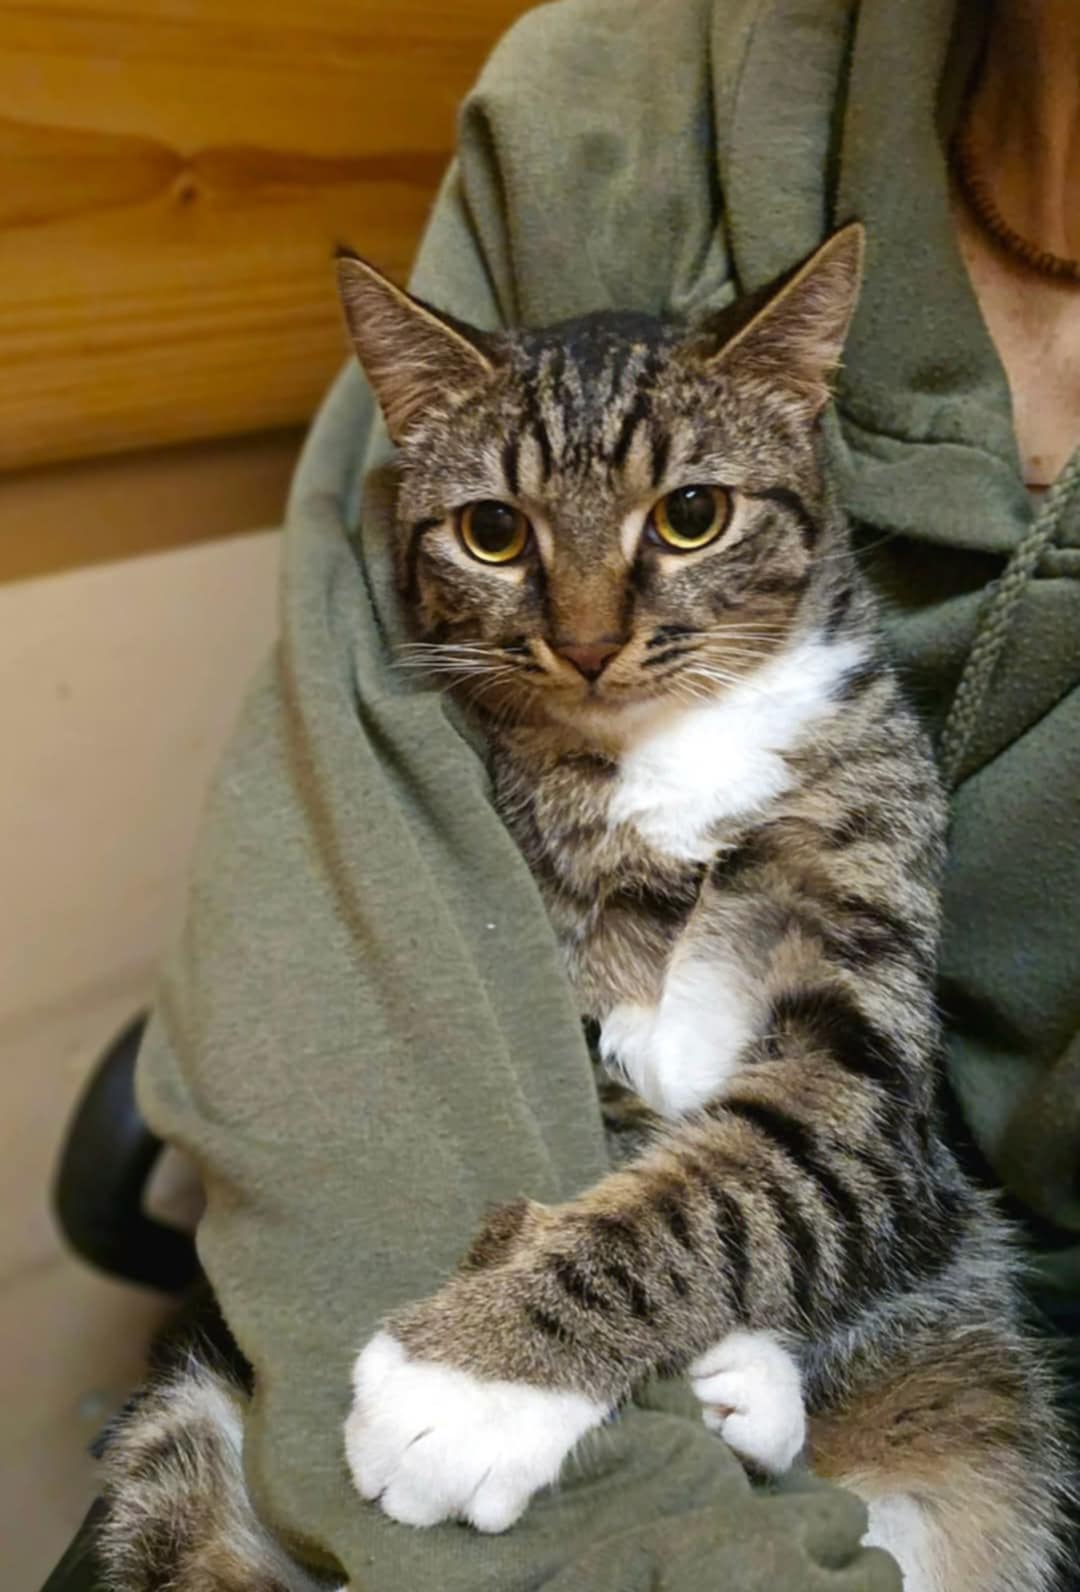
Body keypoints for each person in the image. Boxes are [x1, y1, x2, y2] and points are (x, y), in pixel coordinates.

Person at [75, 0, 1080, 1587]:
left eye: (684, 513)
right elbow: (385, 1046)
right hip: (537, 1297)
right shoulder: (605, 95)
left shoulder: (842, 750)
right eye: (498, 538)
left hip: (883, 1370)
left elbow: (858, 1130)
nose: (590, 628)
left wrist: (571, 1327)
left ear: (795, 413)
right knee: (178, 1477)